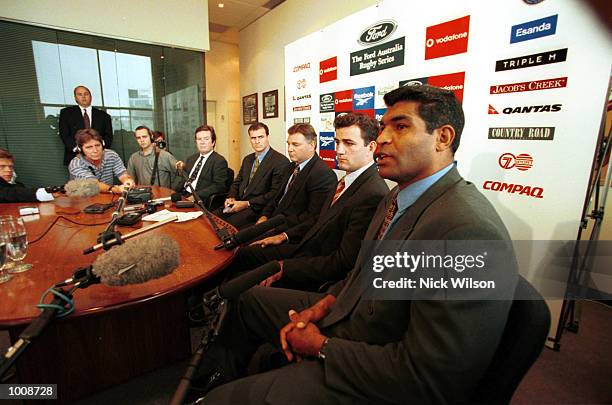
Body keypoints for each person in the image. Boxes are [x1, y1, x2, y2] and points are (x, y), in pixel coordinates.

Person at [192, 85, 519, 404]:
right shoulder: (397, 197)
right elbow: (365, 270)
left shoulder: (467, 230)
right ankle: (225, 372)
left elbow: (429, 377)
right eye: (385, 127)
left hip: (368, 361)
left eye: (401, 126)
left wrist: (321, 346)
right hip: (349, 311)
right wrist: (325, 302)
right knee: (248, 301)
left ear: (443, 138)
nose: (383, 140)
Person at [229, 113, 388, 291]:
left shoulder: (372, 193)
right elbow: (319, 220)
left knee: (243, 281)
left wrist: (285, 267)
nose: (339, 150)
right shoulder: (346, 180)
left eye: (349, 143)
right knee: (242, 253)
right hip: (304, 245)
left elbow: (342, 262)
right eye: (337, 142)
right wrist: (282, 237)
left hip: (316, 270)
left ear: (371, 147)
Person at [256, 123, 336, 236]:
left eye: (295, 144)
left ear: (312, 144)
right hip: (271, 221)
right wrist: (264, 216)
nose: (289, 149)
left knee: (244, 251)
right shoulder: (289, 167)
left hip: (288, 232)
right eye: (288, 144)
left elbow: (311, 217)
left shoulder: (323, 174)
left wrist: (278, 232)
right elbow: (276, 198)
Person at [216, 122, 290, 229]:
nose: (257, 141)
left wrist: (247, 203)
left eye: (261, 137)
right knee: (210, 218)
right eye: (253, 138)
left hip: (257, 208)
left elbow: (274, 193)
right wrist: (231, 196)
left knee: (225, 228)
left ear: (267, 137)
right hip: (237, 202)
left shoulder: (280, 161)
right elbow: (237, 182)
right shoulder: (247, 159)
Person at [59, 85, 113, 165]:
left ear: (91, 96)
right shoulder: (66, 113)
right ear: (75, 98)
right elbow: (65, 135)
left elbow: (108, 137)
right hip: (76, 157)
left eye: (86, 94)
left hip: (100, 157)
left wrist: (98, 149)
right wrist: (79, 150)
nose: (83, 97)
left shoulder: (104, 116)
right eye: (80, 94)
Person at [68, 129, 134, 194]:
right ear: (80, 149)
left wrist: (127, 181)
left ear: (102, 144)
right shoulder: (76, 164)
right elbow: (93, 184)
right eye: (89, 147)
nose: (95, 150)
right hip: (83, 199)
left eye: (97, 145)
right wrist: (114, 189)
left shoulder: (111, 155)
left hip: (108, 198)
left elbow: (122, 173)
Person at [177, 125, 229, 204]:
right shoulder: (191, 159)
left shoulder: (219, 161)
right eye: (199, 139)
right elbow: (184, 180)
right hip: (183, 195)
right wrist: (173, 192)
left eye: (206, 139)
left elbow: (219, 186)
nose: (202, 142)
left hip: (200, 199)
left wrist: (195, 196)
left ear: (213, 142)